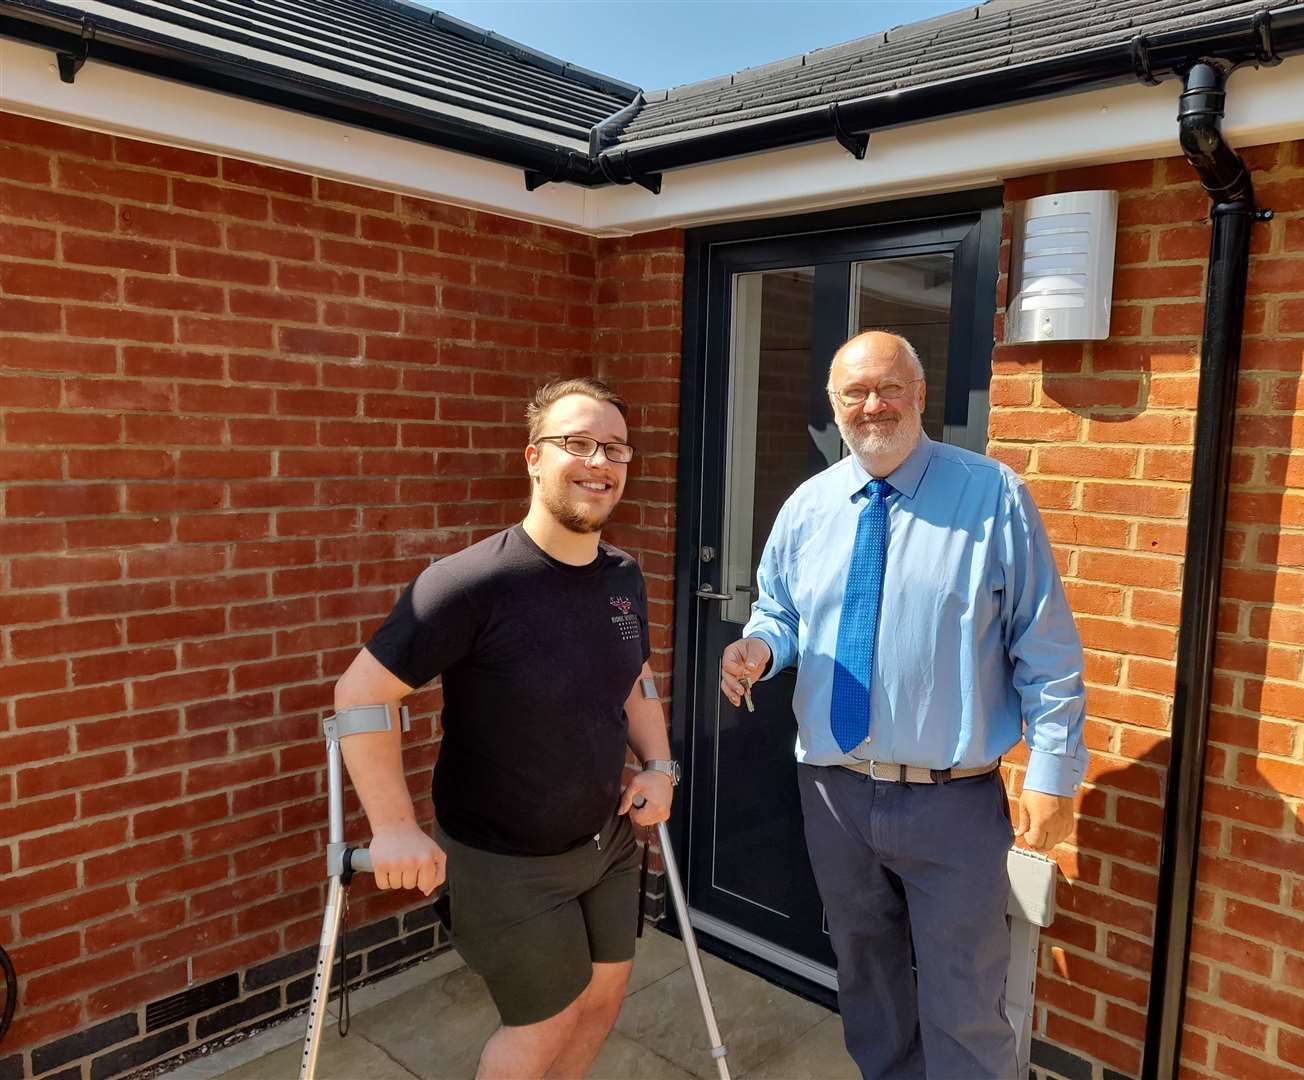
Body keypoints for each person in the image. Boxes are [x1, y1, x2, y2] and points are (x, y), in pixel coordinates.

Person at [719, 330, 1087, 1080]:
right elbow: (780, 610)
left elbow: (1042, 644)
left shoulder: (991, 495)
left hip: (949, 805)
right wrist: (760, 647)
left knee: (964, 1001)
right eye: (854, 393)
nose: (872, 405)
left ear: (920, 395)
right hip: (833, 793)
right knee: (868, 982)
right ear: (834, 405)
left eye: (889, 388)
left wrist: (1052, 773)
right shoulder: (809, 506)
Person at [332, 376, 679, 1080]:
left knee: (604, 999)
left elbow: (635, 677)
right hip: (502, 858)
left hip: (606, 837)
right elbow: (361, 692)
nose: (599, 461)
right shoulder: (469, 583)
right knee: (542, 1023)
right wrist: (394, 825)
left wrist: (660, 764)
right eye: (576, 442)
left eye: (614, 447)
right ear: (532, 457)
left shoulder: (623, 575)